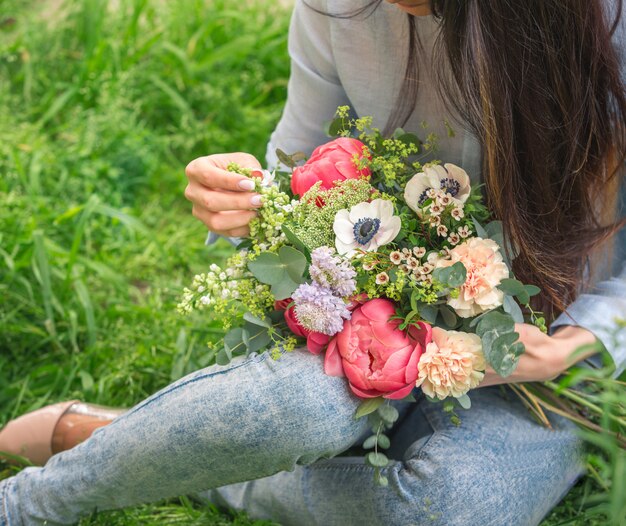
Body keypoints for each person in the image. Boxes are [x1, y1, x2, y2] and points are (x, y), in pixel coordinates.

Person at [1, 0, 625, 524]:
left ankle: (158, 453)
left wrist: (576, 343)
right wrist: (246, 197)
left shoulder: (609, 22)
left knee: (456, 506)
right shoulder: (343, 7)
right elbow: (293, 164)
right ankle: (27, 503)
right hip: (377, 305)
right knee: (287, 412)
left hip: (544, 345)